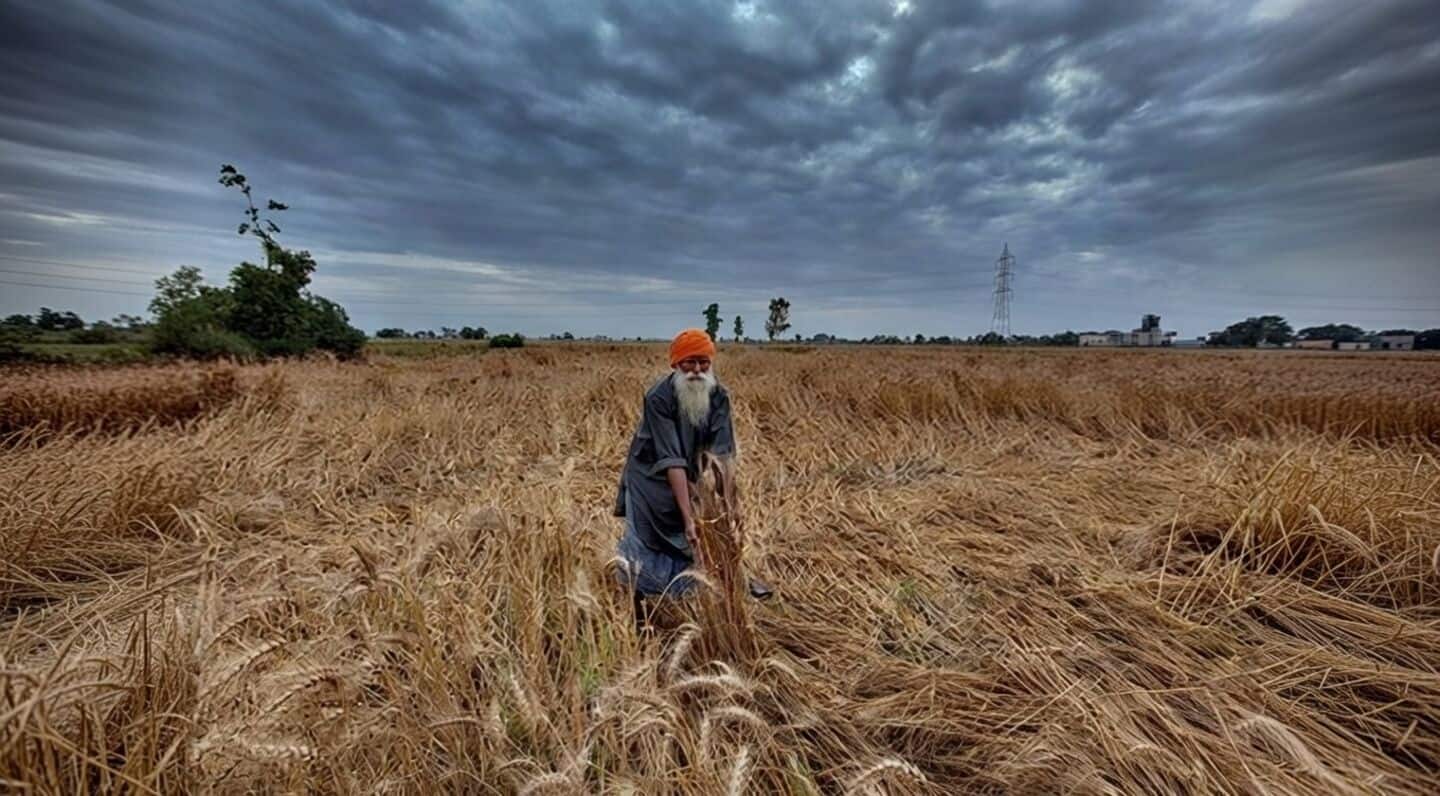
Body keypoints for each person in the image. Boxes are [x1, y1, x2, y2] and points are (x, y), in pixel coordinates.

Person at [613, 328, 771, 605]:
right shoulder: (658, 397)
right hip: (650, 481)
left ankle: (733, 581)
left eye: (703, 363)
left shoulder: (719, 396)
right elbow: (671, 459)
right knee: (649, 541)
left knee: (711, 529)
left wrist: (730, 504)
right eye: (690, 362)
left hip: (690, 475)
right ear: (676, 364)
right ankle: (637, 602)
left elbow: (723, 455)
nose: (697, 370)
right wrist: (687, 518)